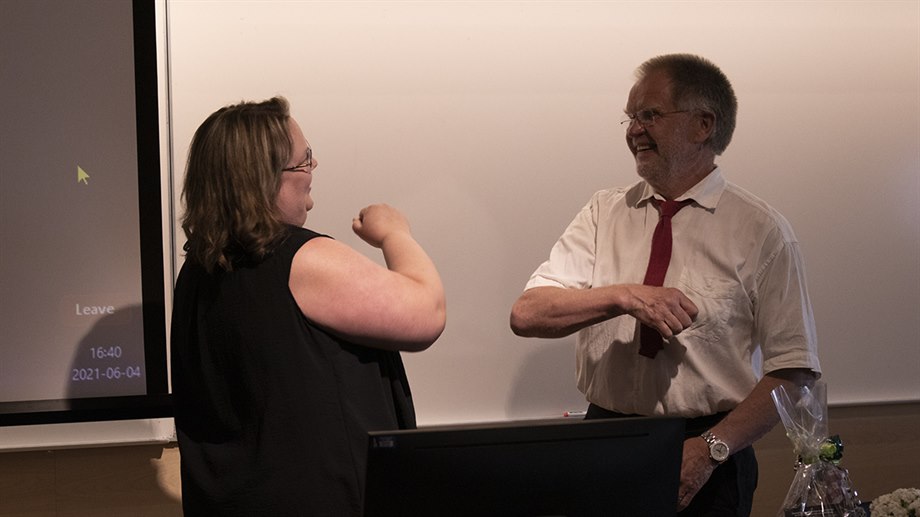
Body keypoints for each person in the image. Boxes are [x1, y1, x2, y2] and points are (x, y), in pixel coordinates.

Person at [510, 54, 821, 516]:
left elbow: (793, 371)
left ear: (703, 125)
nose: (634, 130)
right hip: (602, 437)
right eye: (630, 117)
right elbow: (527, 314)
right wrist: (624, 295)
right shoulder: (602, 212)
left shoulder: (761, 231)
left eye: (650, 115)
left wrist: (711, 449)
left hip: (709, 450)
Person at [170, 97, 446, 516]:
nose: (312, 169)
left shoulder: (199, 271)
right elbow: (426, 313)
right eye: (304, 161)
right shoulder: (299, 260)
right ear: (265, 178)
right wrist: (395, 234)